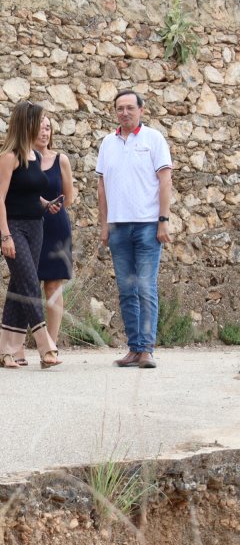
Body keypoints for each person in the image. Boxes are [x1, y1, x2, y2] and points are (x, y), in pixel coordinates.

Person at [96, 90, 173, 369]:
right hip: (117, 227)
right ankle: (134, 348)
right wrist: (104, 225)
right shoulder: (108, 143)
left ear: (141, 109)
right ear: (115, 112)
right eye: (120, 108)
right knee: (126, 290)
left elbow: (165, 180)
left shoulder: (154, 139)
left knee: (145, 286)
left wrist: (163, 220)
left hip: (148, 226)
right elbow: (102, 188)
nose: (125, 112)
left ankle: (147, 349)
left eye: (130, 107)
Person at [0, 101, 62, 370]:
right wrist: (6, 235)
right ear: (27, 124)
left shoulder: (34, 156)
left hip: (36, 226)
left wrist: (46, 203)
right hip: (14, 226)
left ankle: (6, 351)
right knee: (31, 283)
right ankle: (46, 346)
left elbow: (30, 193)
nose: (44, 128)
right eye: (40, 122)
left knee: (19, 285)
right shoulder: (9, 157)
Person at [36, 114, 76, 347]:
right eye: (40, 128)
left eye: (48, 128)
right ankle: (20, 344)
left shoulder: (61, 160)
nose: (44, 132)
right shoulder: (22, 159)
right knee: (28, 285)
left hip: (56, 225)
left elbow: (69, 198)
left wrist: (51, 205)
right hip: (30, 223)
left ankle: (51, 343)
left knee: (53, 285)